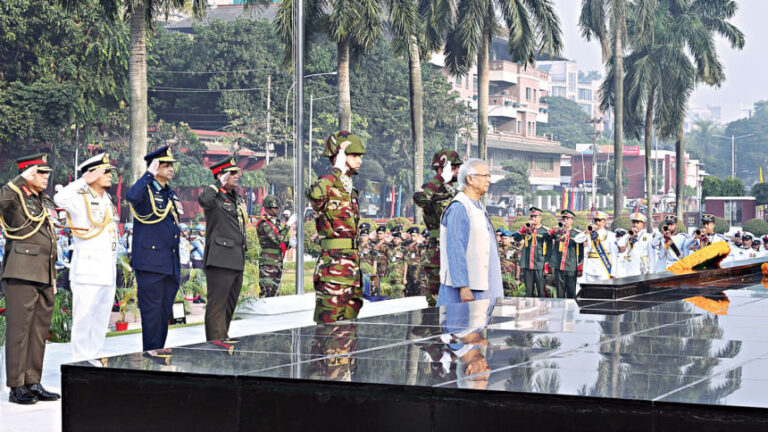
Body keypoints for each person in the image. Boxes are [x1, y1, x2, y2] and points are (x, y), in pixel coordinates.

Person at [0, 153, 61, 404]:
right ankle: (17, 386)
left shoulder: (43, 200)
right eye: (41, 172)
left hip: (45, 271)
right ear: (28, 173)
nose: (46, 177)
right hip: (22, 271)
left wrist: (53, 276)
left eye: (47, 172)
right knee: (19, 331)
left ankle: (32, 381)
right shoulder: (14, 195)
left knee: (38, 331)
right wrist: (17, 181)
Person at [54, 153, 118, 363]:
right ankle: (81, 359)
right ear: (93, 174)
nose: (109, 176)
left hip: (107, 269)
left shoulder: (106, 199)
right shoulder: (80, 198)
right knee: (84, 318)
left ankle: (95, 355)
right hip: (88, 270)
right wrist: (83, 180)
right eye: (105, 172)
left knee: (100, 318)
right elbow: (59, 199)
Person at [306, 131, 366, 323]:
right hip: (333, 271)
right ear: (340, 155)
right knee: (328, 334)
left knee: (348, 333)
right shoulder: (327, 184)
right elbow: (314, 194)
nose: (359, 161)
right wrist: (337, 169)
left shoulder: (350, 190)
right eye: (354, 156)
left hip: (352, 270)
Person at [126, 145, 181, 352]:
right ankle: (150, 351)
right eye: (165, 165)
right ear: (155, 167)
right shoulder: (145, 189)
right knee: (151, 311)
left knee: (164, 310)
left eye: (170, 165)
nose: (170, 169)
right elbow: (131, 196)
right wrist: (148, 174)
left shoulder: (169, 193)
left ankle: (159, 348)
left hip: (169, 263)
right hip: (151, 263)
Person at [437, 158, 503, 306]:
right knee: (461, 326)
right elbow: (456, 249)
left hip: (483, 286)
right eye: (485, 176)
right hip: (468, 291)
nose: (489, 180)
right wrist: (463, 287)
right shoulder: (460, 207)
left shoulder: (477, 205)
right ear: (470, 179)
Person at [198, 157, 248, 341]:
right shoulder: (214, 197)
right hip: (220, 258)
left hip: (236, 257)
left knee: (229, 303)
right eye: (232, 173)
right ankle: (215, 341)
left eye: (237, 173)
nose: (237, 176)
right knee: (217, 303)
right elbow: (203, 199)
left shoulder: (234, 197)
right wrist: (217, 183)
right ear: (222, 175)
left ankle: (223, 336)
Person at [413, 149, 463, 306]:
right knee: (436, 302)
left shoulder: (456, 191)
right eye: (455, 167)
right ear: (444, 167)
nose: (458, 170)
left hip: (456, 248)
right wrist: (439, 179)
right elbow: (420, 199)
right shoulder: (431, 189)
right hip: (438, 251)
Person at [512, 207, 551, 297]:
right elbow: (516, 238)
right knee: (529, 291)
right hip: (527, 264)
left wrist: (546, 264)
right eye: (531, 216)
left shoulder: (545, 231)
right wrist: (523, 229)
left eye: (535, 216)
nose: (533, 218)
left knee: (541, 290)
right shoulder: (526, 229)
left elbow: (550, 249)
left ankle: (542, 309)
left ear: (540, 217)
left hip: (539, 264)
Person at [256, 194, 289, 298]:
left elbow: (281, 242)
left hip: (278, 262)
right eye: (274, 208)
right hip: (268, 262)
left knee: (275, 294)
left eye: (277, 207)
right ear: (267, 208)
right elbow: (277, 240)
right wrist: (287, 226)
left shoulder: (276, 222)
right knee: (266, 293)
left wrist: (289, 243)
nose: (276, 210)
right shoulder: (264, 224)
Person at [548, 210, 585, 298]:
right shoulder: (557, 232)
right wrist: (554, 230)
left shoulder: (576, 233)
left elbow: (581, 251)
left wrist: (580, 266)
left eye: (567, 219)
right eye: (563, 218)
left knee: (571, 291)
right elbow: (546, 238)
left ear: (572, 220)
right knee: (559, 292)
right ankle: (560, 310)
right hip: (558, 265)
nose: (565, 220)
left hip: (571, 266)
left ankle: (571, 310)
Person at [613, 212, 654, 278]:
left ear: (642, 224)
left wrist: (651, 271)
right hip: (628, 268)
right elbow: (620, 246)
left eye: (637, 223)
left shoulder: (648, 237)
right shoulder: (627, 236)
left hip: (641, 268)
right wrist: (628, 235)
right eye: (633, 223)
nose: (635, 225)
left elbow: (652, 255)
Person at [581, 211, 617, 282]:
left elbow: (614, 254)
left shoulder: (610, 235)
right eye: (596, 220)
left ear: (604, 222)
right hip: (590, 268)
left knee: (604, 290)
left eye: (599, 221)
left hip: (604, 267)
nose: (597, 223)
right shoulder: (589, 234)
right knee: (590, 290)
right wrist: (587, 231)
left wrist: (613, 271)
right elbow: (577, 239)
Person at [382, 227, 407, 298]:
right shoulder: (388, 248)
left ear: (401, 240)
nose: (396, 240)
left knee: (398, 295)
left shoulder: (403, 250)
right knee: (388, 295)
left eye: (398, 239)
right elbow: (376, 248)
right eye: (395, 238)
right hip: (388, 275)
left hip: (398, 276)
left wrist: (404, 278)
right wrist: (386, 240)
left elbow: (405, 264)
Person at [498, 229, 521, 297]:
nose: (504, 240)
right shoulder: (497, 248)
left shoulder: (515, 250)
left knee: (510, 295)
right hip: (499, 276)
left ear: (510, 239)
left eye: (506, 238)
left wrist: (517, 278)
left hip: (510, 277)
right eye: (502, 238)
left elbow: (518, 264)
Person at [404, 226, 423, 297]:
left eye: (414, 236)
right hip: (409, 271)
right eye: (411, 235)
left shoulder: (421, 245)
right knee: (410, 291)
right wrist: (414, 242)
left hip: (418, 272)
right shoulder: (407, 243)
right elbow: (406, 249)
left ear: (418, 236)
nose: (412, 237)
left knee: (418, 291)